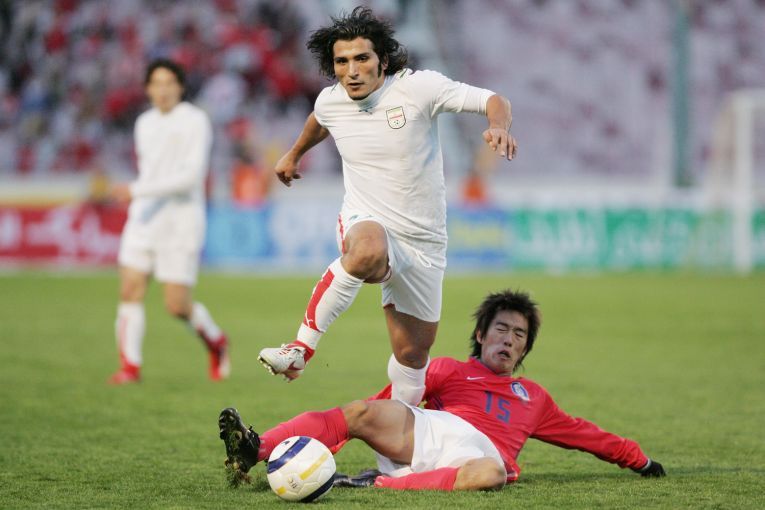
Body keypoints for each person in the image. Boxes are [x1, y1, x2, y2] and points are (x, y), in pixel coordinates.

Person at [257, 6, 518, 407]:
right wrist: (294, 154)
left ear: (383, 59)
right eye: (341, 62)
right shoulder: (332, 100)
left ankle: (400, 437)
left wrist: (498, 126)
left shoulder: (419, 89)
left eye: (362, 58)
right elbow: (320, 119)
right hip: (367, 219)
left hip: (425, 242)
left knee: (412, 356)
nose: (351, 71)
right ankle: (300, 349)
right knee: (367, 249)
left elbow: (494, 100)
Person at [221, 290, 665, 492]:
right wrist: (357, 429)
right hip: (432, 430)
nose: (509, 340)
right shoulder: (450, 370)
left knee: (491, 475)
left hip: (480, 455)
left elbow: (585, 435)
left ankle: (377, 485)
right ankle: (257, 449)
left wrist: (639, 460)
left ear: (525, 348)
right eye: (501, 329)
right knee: (361, 411)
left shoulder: (535, 398)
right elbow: (391, 400)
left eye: (519, 335)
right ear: (481, 334)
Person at [108, 59, 229, 384]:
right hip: (144, 218)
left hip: (181, 222)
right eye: (156, 84)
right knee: (130, 289)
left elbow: (190, 178)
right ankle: (130, 368)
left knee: (176, 305)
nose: (162, 90)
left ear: (180, 87)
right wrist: (139, 195)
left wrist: (135, 190)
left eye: (169, 83)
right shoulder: (144, 122)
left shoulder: (195, 120)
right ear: (147, 89)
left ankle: (216, 341)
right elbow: (151, 170)